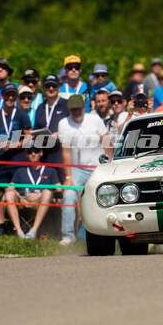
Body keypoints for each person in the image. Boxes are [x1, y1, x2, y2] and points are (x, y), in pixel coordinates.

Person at [58, 94, 111, 245]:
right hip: (76, 169)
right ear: (69, 110)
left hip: (98, 168)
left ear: (84, 107)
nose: (76, 112)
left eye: (78, 109)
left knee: (102, 197)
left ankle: (103, 233)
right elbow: (66, 151)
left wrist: (109, 165)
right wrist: (68, 177)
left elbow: (106, 140)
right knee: (68, 195)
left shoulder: (94, 119)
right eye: (73, 110)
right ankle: (68, 236)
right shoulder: (63, 123)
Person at [0, 83, 32, 223]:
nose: (10, 98)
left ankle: (15, 225)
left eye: (13, 95)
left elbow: (30, 138)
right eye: (8, 95)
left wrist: (14, 145)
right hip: (2, 161)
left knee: (17, 194)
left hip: (19, 162)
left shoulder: (22, 115)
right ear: (2, 96)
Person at [5, 146, 61, 239]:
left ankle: (33, 230)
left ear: (41, 153)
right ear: (26, 155)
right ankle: (19, 231)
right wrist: (14, 191)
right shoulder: (20, 171)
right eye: (30, 152)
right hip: (23, 199)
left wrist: (41, 194)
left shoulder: (50, 171)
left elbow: (59, 189)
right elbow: (9, 188)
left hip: (41, 199)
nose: (33, 154)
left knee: (47, 192)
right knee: (9, 194)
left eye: (36, 151)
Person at [33, 74, 70, 182]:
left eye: (54, 86)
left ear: (59, 88)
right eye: (48, 86)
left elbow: (75, 128)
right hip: (44, 156)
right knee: (47, 188)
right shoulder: (40, 107)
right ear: (43, 89)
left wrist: (60, 134)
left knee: (63, 187)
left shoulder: (66, 105)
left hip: (61, 155)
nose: (51, 88)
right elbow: (36, 129)